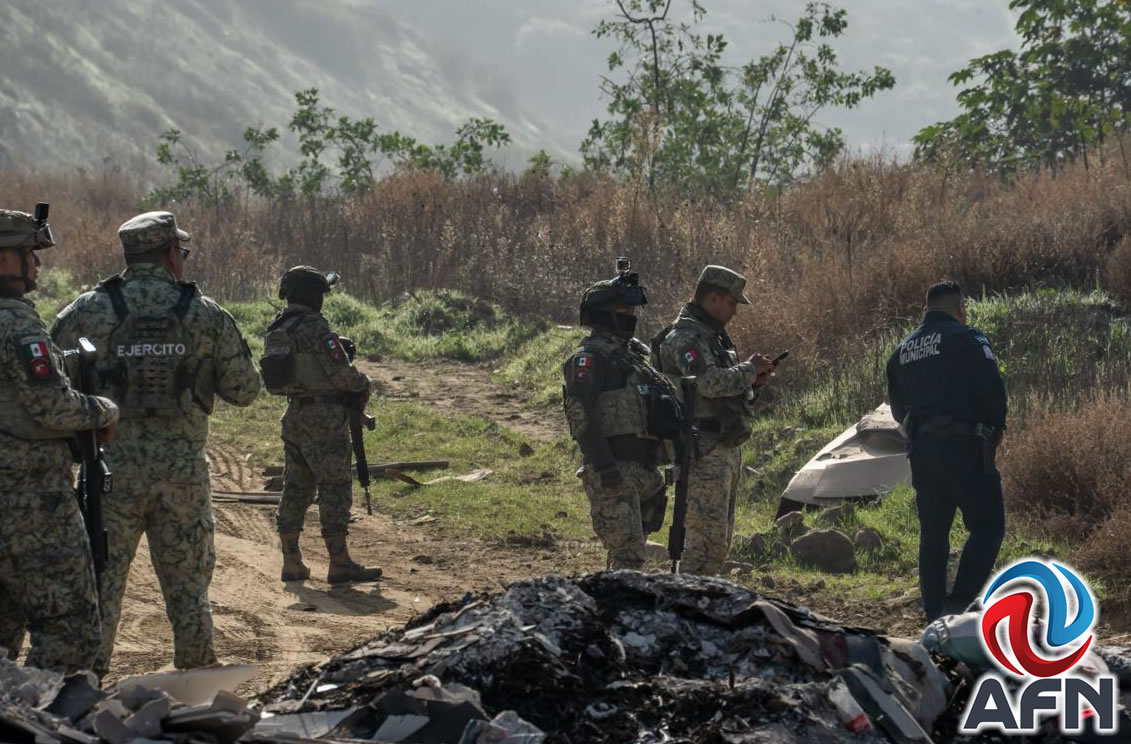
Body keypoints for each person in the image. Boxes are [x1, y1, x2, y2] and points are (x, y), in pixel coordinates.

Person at [52, 211, 260, 677]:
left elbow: (48, 388)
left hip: (108, 476)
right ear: (170, 255)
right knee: (189, 590)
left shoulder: (87, 310)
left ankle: (86, 684)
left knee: (100, 585)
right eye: (180, 252)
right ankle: (197, 681)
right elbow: (245, 391)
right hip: (182, 477)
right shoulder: (206, 314)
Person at [0, 206, 119, 673]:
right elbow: (53, 408)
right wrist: (103, 410)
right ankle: (50, 721)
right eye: (29, 252)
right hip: (29, 502)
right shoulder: (18, 325)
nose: (37, 263)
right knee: (70, 632)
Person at [886, 280, 1007, 622]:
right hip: (965, 447)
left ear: (925, 311)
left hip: (923, 452)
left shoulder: (901, 352)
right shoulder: (968, 338)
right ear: (960, 310)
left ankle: (933, 610)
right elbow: (994, 392)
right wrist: (994, 431)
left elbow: (898, 411)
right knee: (987, 525)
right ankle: (962, 602)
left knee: (934, 531)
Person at [652, 265, 775, 575]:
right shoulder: (684, 337)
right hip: (701, 450)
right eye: (732, 303)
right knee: (702, 546)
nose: (734, 311)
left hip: (723, 447)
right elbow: (706, 383)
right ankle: (687, 607)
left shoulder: (713, 338)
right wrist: (748, 371)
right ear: (713, 299)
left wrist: (753, 385)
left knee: (717, 544)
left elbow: (723, 395)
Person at [261, 266, 381, 584]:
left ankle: (292, 561)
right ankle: (339, 562)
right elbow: (342, 374)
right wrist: (363, 383)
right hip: (324, 419)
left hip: (294, 416)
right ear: (314, 296)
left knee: (296, 487)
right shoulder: (316, 328)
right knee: (335, 486)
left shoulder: (278, 327)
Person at [562, 261, 676, 569]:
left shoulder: (635, 359)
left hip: (645, 472)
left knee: (631, 557)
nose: (632, 317)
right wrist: (604, 465)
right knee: (628, 558)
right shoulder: (590, 358)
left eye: (633, 310)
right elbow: (580, 415)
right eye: (624, 310)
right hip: (613, 471)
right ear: (603, 313)